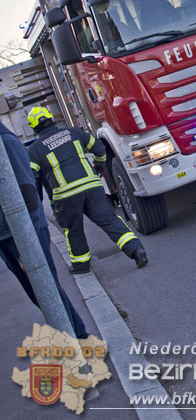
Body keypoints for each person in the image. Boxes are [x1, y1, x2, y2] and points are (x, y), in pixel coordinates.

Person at [26, 107, 148, 274]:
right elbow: (98, 148)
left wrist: (35, 201)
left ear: (34, 128)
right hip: (92, 187)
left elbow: (32, 177)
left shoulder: (35, 150)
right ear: (51, 119)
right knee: (110, 220)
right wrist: (99, 166)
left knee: (73, 230)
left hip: (66, 196)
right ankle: (136, 251)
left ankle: (81, 266)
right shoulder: (73, 133)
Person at [0, 121, 88, 339]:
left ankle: (78, 338)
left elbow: (28, 193)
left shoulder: (5, 143)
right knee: (38, 293)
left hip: (21, 234)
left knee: (45, 290)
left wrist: (26, 239)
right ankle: (76, 336)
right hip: (7, 235)